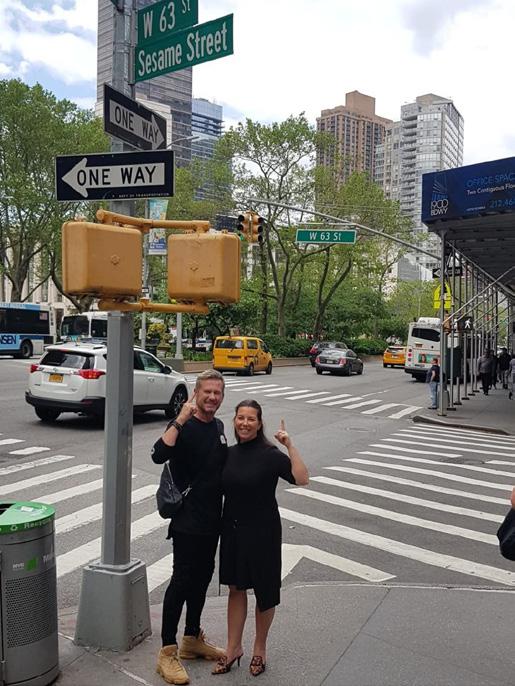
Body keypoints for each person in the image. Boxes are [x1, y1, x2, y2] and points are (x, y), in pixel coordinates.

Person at [213, 400, 309, 678]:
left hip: (263, 532)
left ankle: (259, 649)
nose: (244, 423)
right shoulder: (228, 454)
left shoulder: (270, 454)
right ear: (234, 420)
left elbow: (302, 478)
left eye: (250, 419)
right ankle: (233, 648)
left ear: (259, 423)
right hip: (232, 530)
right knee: (235, 589)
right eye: (240, 418)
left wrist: (289, 445)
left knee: (265, 593)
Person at [151, 369, 227, 685]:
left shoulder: (219, 427)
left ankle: (192, 639)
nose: (212, 397)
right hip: (187, 522)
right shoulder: (185, 425)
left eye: (217, 392)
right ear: (196, 393)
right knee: (181, 581)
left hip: (211, 521)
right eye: (206, 391)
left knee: (202, 578)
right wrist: (180, 418)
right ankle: (167, 652)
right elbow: (158, 454)